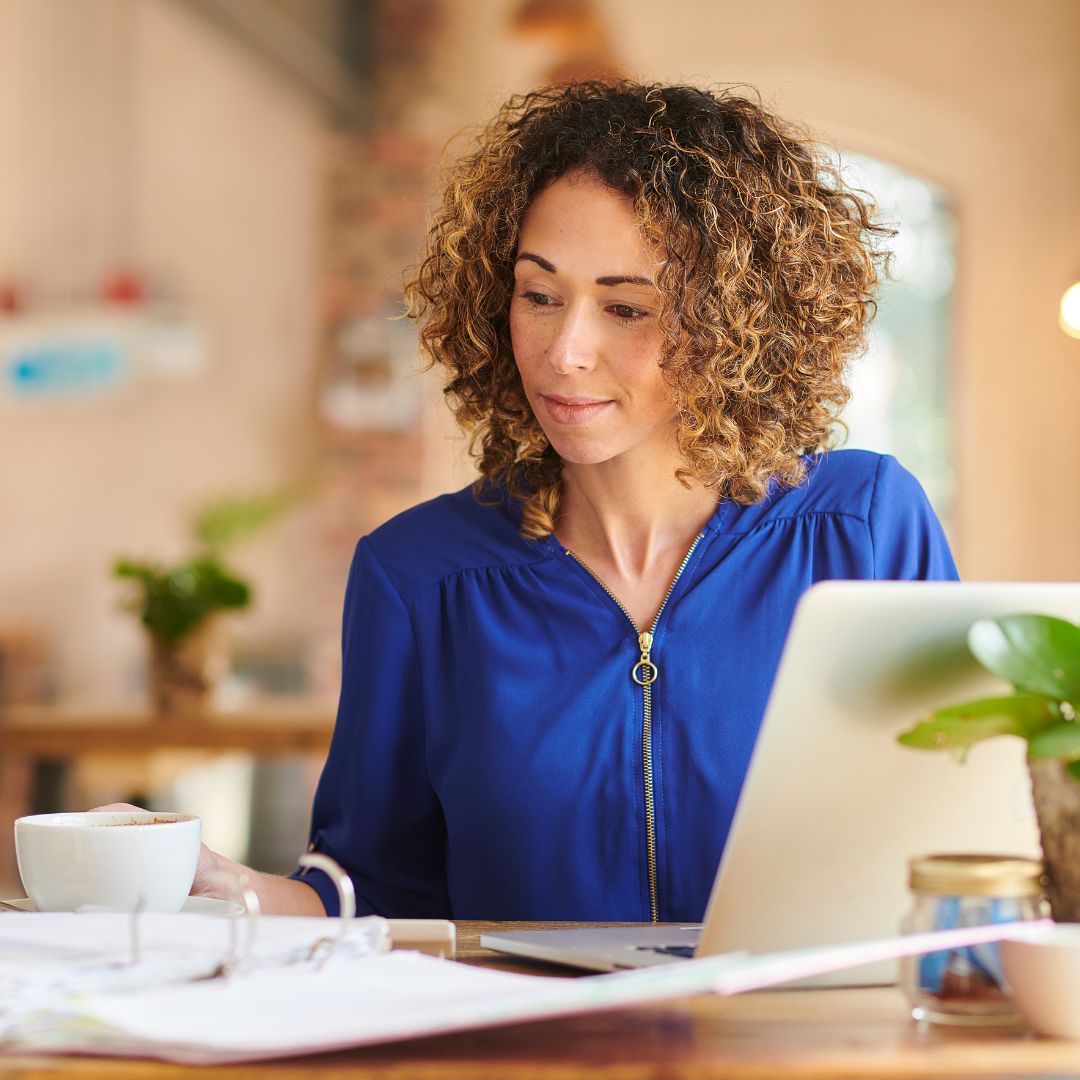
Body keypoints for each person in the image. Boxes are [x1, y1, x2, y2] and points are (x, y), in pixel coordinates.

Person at [155, 81, 960, 921]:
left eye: (627, 307)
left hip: (808, 1048)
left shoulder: (864, 529)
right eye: (539, 296)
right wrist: (222, 883)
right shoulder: (417, 577)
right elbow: (375, 894)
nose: (565, 350)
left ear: (733, 323)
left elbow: (964, 848)